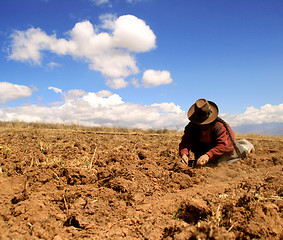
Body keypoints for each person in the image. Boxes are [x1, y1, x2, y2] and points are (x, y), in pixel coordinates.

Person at [179, 98, 251, 167]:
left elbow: (222, 146)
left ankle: (246, 145)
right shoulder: (191, 127)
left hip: (224, 150)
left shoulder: (218, 126)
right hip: (205, 148)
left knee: (232, 157)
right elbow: (185, 142)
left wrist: (208, 155)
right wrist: (184, 154)